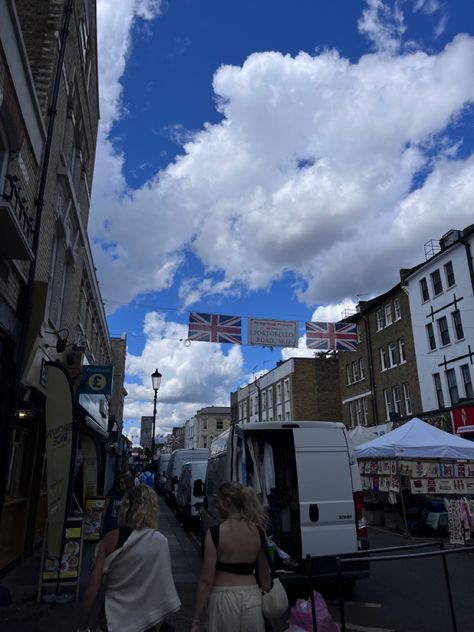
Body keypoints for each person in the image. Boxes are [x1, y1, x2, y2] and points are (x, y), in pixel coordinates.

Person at [78, 485, 181, 632]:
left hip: (111, 620)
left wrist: (82, 627)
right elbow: (163, 588)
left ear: (126, 507)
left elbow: (92, 589)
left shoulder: (110, 539)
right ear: (152, 509)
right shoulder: (160, 542)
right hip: (145, 622)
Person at [191, 481, 271, 632]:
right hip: (252, 598)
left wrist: (196, 619)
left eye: (218, 501)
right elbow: (265, 577)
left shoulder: (215, 534)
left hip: (223, 600)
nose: (216, 506)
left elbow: (207, 580)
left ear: (227, 502)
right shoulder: (259, 532)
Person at [101, 473, 134, 538]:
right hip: (111, 527)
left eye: (122, 483)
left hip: (123, 528)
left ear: (127, 483)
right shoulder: (114, 494)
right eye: (119, 482)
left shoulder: (131, 497)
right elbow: (107, 509)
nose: (120, 485)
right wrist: (103, 524)